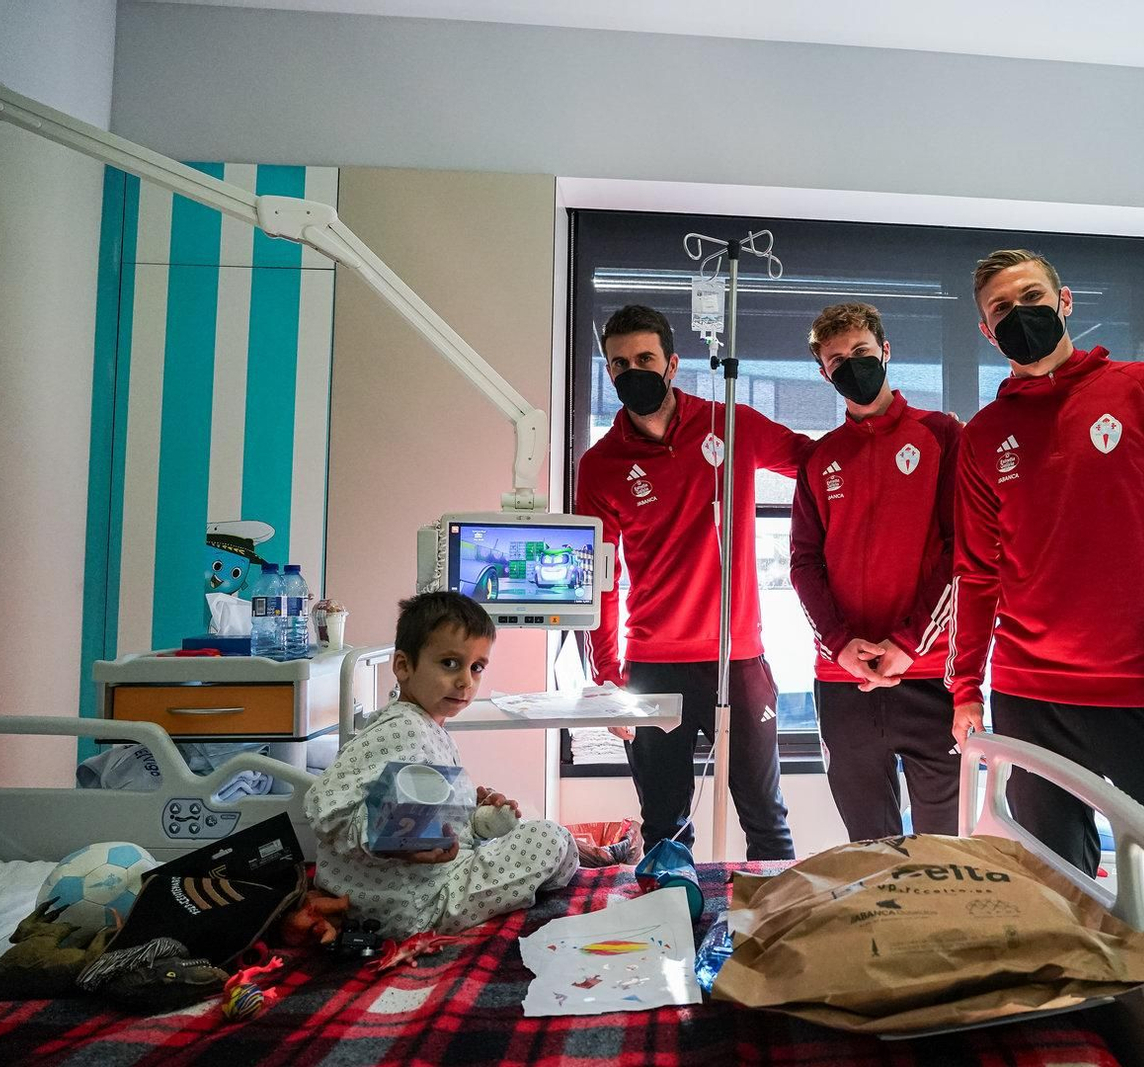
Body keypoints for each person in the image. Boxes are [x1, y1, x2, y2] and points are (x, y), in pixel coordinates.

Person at [946, 250, 1144, 1065]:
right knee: (1062, 905)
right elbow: (976, 574)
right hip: (1031, 697)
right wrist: (965, 686)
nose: (1019, 313)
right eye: (1001, 308)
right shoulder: (984, 438)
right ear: (985, 331)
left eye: (1031, 296)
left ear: (1064, 300)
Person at [575, 304, 810, 860]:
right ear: (609, 371)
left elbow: (820, 464)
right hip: (653, 664)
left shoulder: (729, 424)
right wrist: (607, 674)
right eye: (620, 363)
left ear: (673, 364)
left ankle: (770, 914)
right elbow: (601, 577)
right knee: (664, 825)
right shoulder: (601, 464)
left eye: (645, 359)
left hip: (737, 658)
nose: (633, 371)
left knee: (766, 819)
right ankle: (674, 912)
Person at [305, 591, 583, 938]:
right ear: (403, 666)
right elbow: (324, 806)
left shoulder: (425, 728)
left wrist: (475, 816)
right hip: (417, 903)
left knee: (528, 829)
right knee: (549, 838)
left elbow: (422, 816)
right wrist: (394, 843)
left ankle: (570, 856)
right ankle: (576, 858)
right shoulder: (404, 729)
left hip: (408, 894)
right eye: (450, 663)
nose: (466, 681)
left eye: (476, 667)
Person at [789, 302, 962, 840]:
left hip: (931, 672)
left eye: (861, 351)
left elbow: (964, 551)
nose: (852, 365)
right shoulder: (819, 458)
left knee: (944, 853)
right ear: (824, 373)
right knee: (870, 849)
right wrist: (839, 644)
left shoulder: (941, 435)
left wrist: (910, 642)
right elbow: (804, 564)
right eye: (837, 360)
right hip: (845, 680)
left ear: (885, 351)